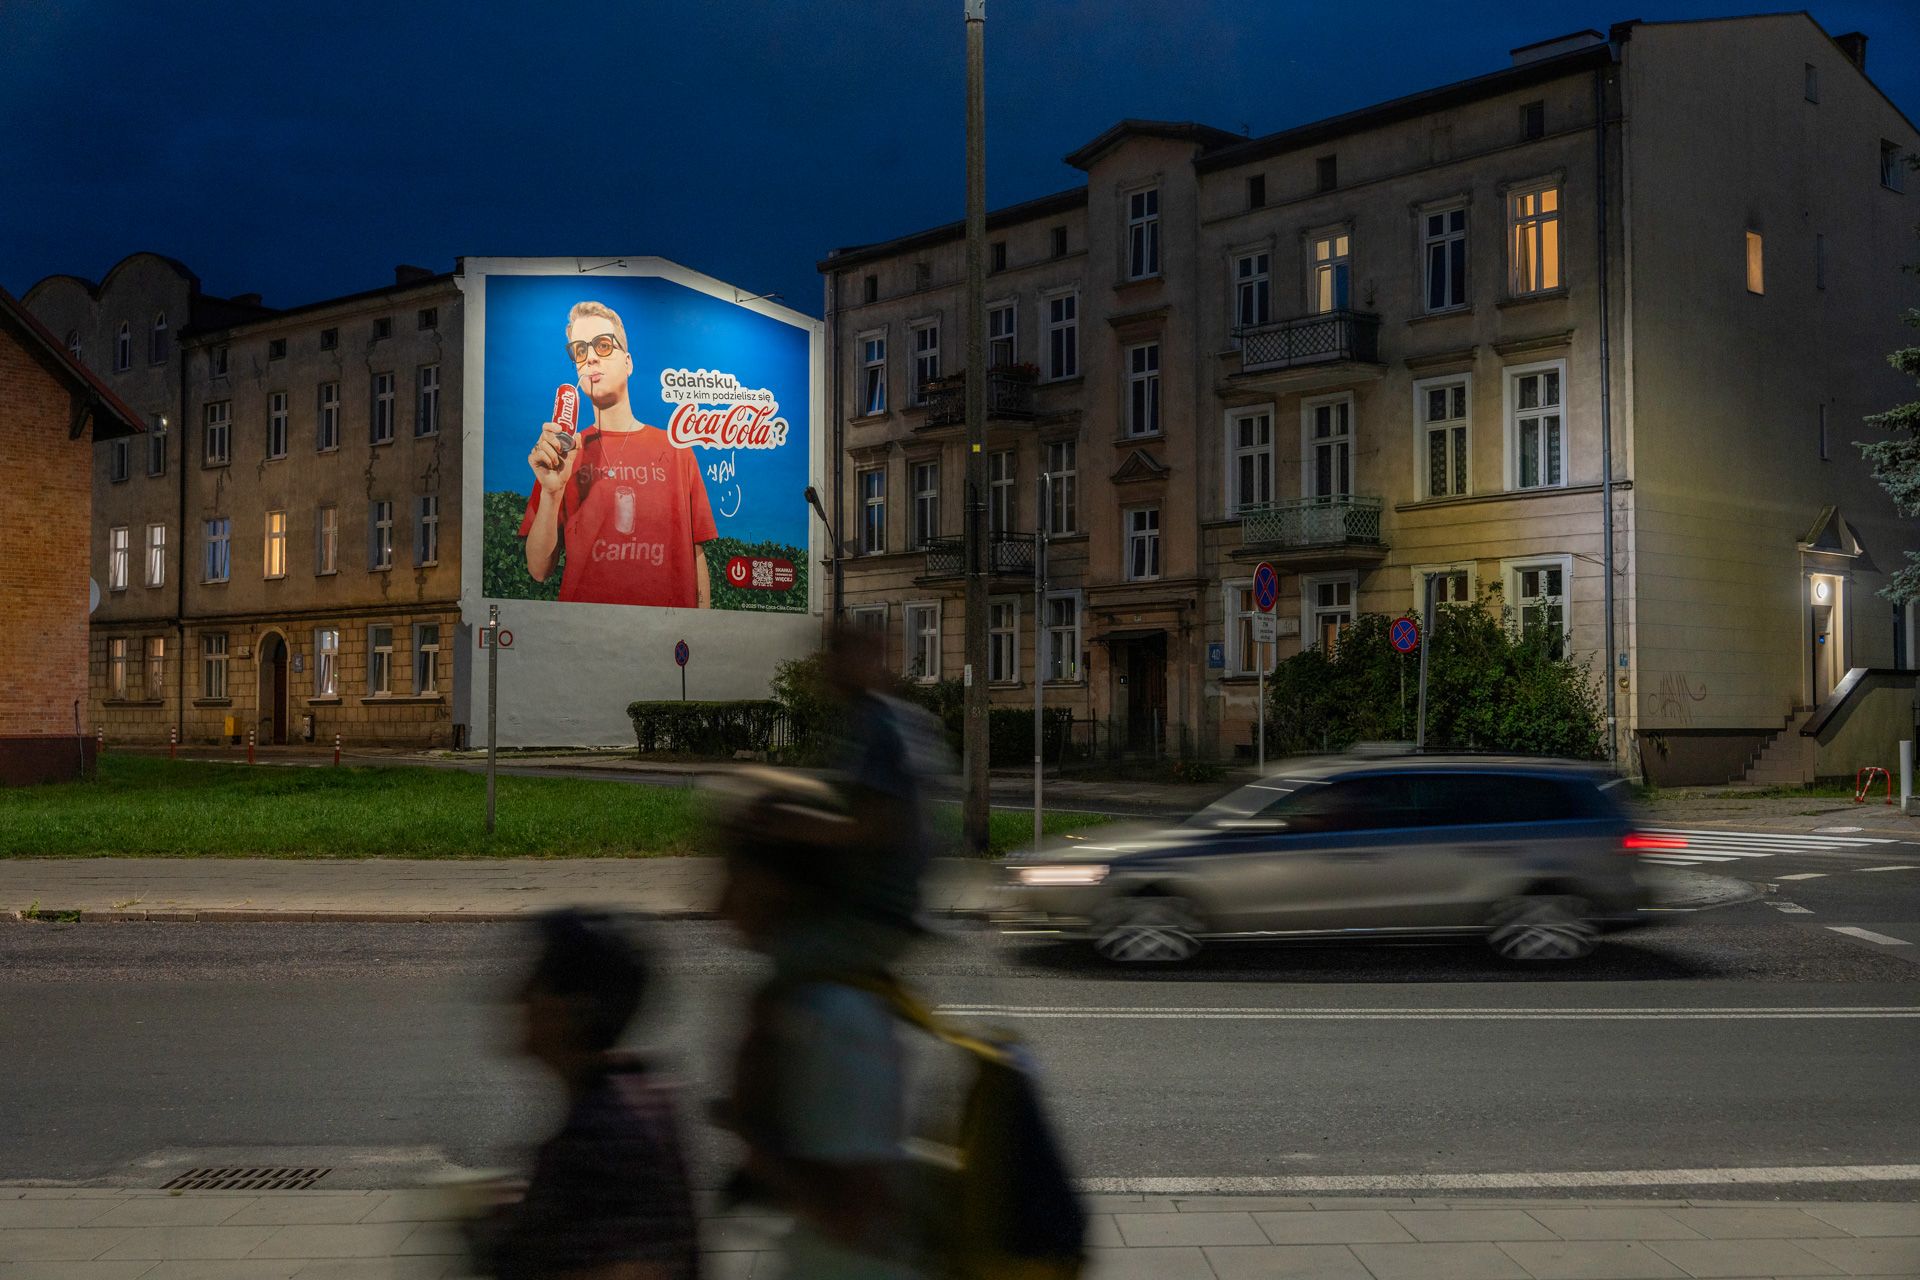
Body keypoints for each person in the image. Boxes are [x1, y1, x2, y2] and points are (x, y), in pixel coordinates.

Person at [713, 827, 932, 1280]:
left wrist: (754, 1134)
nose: (719, 904)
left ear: (776, 887)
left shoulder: (831, 1015)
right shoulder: (803, 1004)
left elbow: (854, 1210)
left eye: (735, 877)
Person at [468, 909, 699, 1280]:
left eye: (538, 980)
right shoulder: (637, 1093)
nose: (518, 995)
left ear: (575, 1009)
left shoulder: (596, 1137)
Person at [520, 301, 717, 608]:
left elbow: (696, 557)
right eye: (580, 351)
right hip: (583, 636)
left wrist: (703, 631)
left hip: (669, 642)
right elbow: (538, 569)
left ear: (628, 362)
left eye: (602, 345)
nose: (591, 358)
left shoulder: (677, 450)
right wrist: (551, 491)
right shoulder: (563, 452)